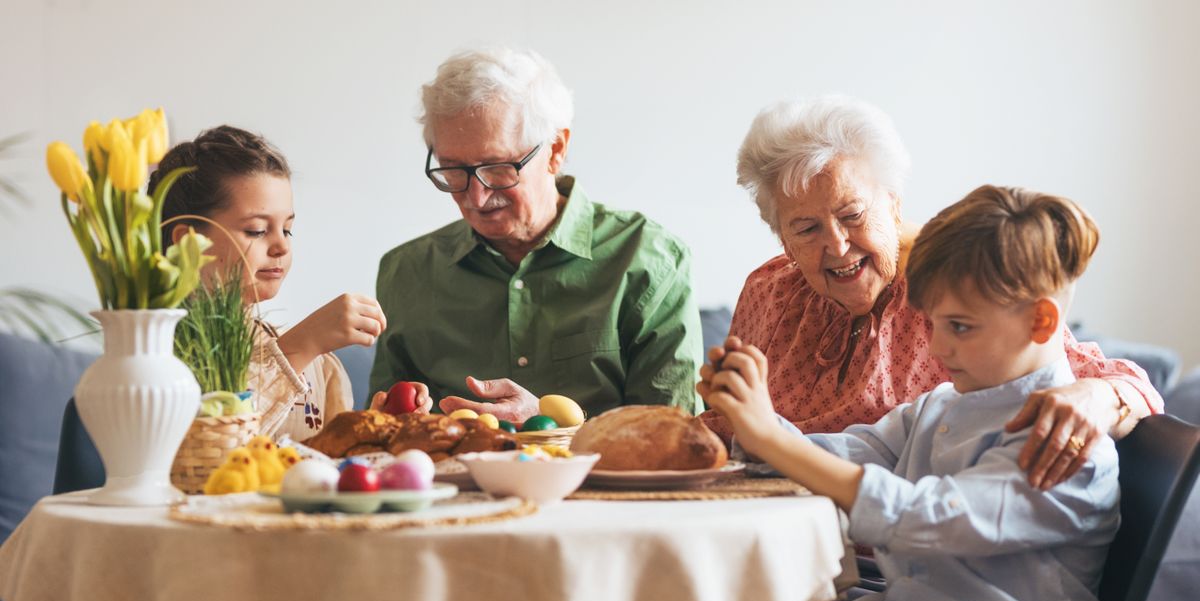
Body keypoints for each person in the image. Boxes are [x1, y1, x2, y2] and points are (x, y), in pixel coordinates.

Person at [699, 185, 1120, 601]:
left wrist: (770, 437)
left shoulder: (1069, 450)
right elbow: (847, 452)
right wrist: (750, 416)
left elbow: (925, 517)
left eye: (960, 326)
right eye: (933, 323)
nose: (938, 346)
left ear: (1041, 321)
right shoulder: (939, 406)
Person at [706, 95, 1161, 489]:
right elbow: (727, 428)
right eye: (806, 228)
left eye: (852, 215)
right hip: (765, 527)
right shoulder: (770, 292)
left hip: (895, 553)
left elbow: (1115, 380)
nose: (837, 245)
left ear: (894, 203)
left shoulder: (953, 289)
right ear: (781, 237)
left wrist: (1099, 398)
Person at [370, 47, 703, 424]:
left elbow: (673, 436)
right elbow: (383, 433)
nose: (476, 197)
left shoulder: (649, 257)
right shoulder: (406, 272)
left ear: (556, 150)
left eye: (497, 168)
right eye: (453, 170)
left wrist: (551, 426)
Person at [151, 125, 397, 441]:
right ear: (187, 244)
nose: (281, 246)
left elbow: (329, 465)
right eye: (256, 230)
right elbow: (205, 459)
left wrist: (383, 429)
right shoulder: (156, 360)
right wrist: (301, 346)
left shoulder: (318, 365)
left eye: (287, 230)